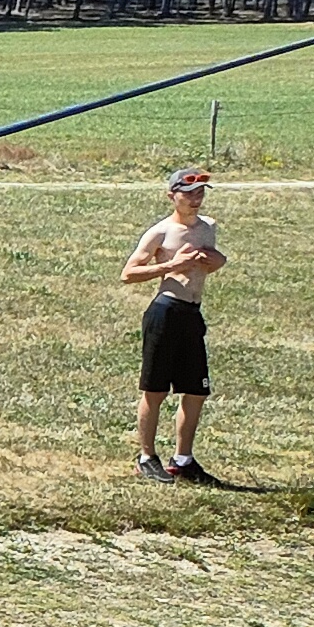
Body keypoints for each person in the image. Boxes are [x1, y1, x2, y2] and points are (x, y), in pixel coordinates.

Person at [120, 170, 226, 481]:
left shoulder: (208, 228)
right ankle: (146, 455)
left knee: (195, 391)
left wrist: (217, 261)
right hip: (164, 312)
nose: (196, 199)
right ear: (172, 196)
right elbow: (128, 273)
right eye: (189, 193)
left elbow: (212, 263)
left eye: (200, 193)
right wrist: (169, 266)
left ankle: (183, 459)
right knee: (155, 389)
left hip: (192, 312)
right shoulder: (161, 233)